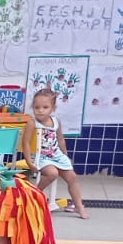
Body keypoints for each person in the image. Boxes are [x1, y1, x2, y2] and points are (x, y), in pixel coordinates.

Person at [23, 89, 89, 219]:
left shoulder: (56, 121)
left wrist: (65, 155)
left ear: (53, 108)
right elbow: (25, 143)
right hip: (40, 156)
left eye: (45, 107)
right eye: (37, 107)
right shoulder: (32, 123)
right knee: (52, 173)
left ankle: (78, 205)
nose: (40, 110)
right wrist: (28, 161)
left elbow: (60, 140)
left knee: (72, 177)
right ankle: (34, 194)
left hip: (56, 155)